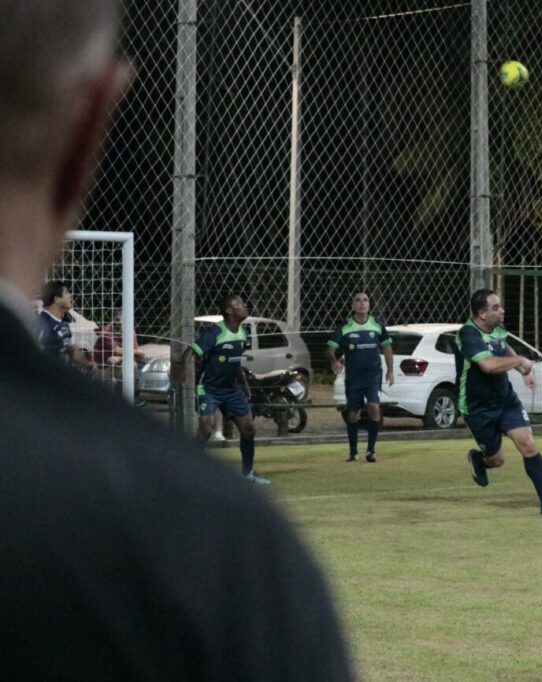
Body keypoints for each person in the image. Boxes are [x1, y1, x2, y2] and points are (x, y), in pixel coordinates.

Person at [0, 2, 351, 678]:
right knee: (218, 423)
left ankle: (244, 451)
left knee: (236, 419)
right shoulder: (206, 549)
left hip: (207, 396)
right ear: (87, 132)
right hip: (133, 423)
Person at [456, 289, 542, 516]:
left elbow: (503, 348)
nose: (502, 311)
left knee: (527, 444)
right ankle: (479, 459)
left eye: (500, 306)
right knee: (497, 460)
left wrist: (521, 369)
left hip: (505, 400)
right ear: (481, 314)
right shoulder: (468, 334)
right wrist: (518, 360)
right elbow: (487, 365)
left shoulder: (498, 329)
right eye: (495, 308)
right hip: (478, 408)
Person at [177, 294, 268, 484]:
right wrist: (183, 370)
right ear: (229, 311)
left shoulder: (243, 332)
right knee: (206, 428)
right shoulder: (215, 333)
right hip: (209, 388)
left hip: (231, 390)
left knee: (249, 429)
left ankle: (248, 474)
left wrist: (244, 385)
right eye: (240, 304)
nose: (245, 306)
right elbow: (189, 352)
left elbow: (234, 363)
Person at [325, 291, 395, 462]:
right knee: (353, 414)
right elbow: (329, 349)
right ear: (352, 306)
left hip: (372, 376)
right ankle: (353, 452)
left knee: (374, 407)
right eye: (358, 300)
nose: (362, 303)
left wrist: (390, 370)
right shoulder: (345, 328)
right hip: (354, 379)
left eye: (365, 300)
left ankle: (371, 451)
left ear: (369, 304)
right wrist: (334, 361)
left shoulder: (377, 325)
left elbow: (387, 347)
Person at [37, 280, 92, 368]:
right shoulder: (42, 323)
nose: (70, 295)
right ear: (57, 299)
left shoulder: (64, 323)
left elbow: (73, 350)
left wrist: (89, 364)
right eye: (66, 293)